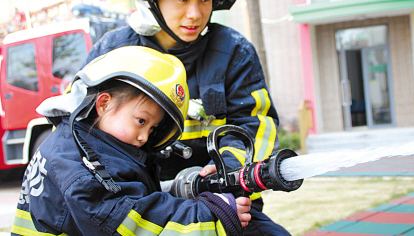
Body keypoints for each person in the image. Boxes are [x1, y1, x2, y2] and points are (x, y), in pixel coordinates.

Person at [86, 0, 288, 234]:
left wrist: (226, 170)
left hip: (222, 200)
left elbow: (256, 124)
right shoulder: (113, 53)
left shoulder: (233, 52)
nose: (195, 14)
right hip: (140, 208)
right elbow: (80, 134)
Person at [12, 46, 251, 236]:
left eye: (153, 128)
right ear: (104, 103)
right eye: (141, 121)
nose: (145, 136)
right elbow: (132, 224)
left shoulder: (75, 145)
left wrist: (179, 189)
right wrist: (215, 214)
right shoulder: (83, 172)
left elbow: (125, 198)